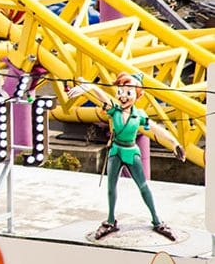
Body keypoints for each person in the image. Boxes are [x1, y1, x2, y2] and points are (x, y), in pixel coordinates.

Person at [69, 72, 185, 240]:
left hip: (131, 151)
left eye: (128, 92)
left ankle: (157, 220)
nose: (123, 96)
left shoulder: (139, 115)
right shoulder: (114, 110)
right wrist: (91, 87)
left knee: (143, 186)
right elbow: (103, 97)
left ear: (137, 96)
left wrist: (174, 143)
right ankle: (110, 220)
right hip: (116, 151)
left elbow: (155, 128)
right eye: (120, 91)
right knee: (111, 187)